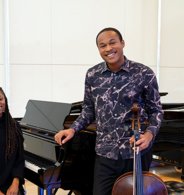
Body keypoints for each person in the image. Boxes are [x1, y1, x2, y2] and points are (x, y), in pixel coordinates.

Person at [54, 27, 163, 195]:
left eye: (112, 43)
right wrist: (72, 129)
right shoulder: (93, 75)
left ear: (122, 43)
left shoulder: (144, 73)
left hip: (135, 153)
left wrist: (149, 135)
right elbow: (88, 110)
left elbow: (156, 110)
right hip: (105, 154)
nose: (108, 49)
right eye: (102, 45)